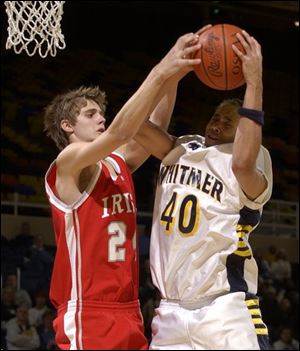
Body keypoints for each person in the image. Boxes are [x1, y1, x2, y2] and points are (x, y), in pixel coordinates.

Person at [43, 25, 211, 350]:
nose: (100, 119)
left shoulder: (116, 163)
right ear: (67, 126)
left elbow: (153, 130)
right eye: (90, 114)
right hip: (88, 311)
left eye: (101, 114)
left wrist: (174, 78)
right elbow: (120, 133)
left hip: (129, 309)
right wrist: (161, 70)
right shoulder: (68, 162)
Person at [134, 30, 273, 349]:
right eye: (215, 117)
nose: (216, 124)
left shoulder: (253, 160)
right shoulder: (182, 146)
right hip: (169, 310)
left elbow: (241, 163)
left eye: (227, 122)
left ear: (243, 132)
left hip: (224, 309)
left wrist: (254, 83)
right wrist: (166, 73)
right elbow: (134, 126)